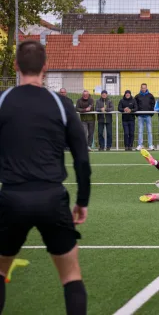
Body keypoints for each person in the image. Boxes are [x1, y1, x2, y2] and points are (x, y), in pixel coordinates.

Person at [0, 40, 91, 315]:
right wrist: (82, 201)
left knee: (1, 271)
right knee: (71, 275)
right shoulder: (61, 104)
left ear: (16, 66)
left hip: (12, 199)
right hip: (52, 199)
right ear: (46, 67)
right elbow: (81, 158)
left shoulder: (3, 101)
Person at [135, 83, 155, 151]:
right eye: (142, 88)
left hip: (148, 116)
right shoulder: (137, 96)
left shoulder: (150, 96)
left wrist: (151, 113)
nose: (143, 89)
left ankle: (150, 145)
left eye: (144, 88)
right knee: (140, 131)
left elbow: (153, 105)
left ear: (146, 88)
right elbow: (135, 105)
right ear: (140, 88)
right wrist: (137, 114)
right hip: (140, 116)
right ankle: (140, 145)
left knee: (149, 131)